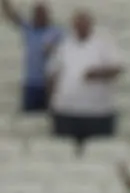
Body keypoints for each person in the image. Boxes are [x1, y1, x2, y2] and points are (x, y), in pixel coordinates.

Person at [46, 10, 123, 154]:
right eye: (77, 23)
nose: (81, 26)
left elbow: (117, 69)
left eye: (84, 23)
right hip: (65, 110)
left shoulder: (103, 44)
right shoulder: (64, 46)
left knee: (99, 154)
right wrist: (51, 101)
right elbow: (52, 74)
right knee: (62, 153)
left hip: (98, 112)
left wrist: (98, 73)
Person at [1, 0, 61, 113]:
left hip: (49, 85)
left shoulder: (57, 32)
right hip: (31, 83)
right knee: (28, 116)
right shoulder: (29, 29)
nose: (39, 16)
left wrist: (53, 49)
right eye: (37, 14)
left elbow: (67, 53)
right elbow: (12, 16)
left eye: (42, 13)